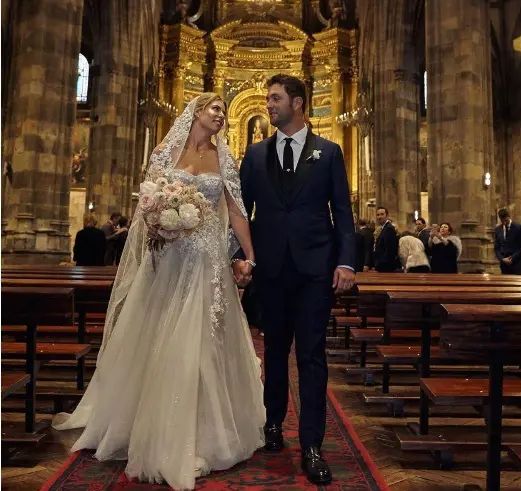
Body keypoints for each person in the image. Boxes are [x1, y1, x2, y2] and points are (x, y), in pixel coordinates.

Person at [54, 93, 264, 490]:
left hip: (207, 261)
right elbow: (147, 204)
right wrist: (158, 223)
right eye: (214, 108)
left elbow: (236, 210)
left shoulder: (226, 160)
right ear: (196, 113)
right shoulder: (164, 152)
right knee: (160, 336)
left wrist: (249, 257)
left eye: (223, 110)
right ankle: (147, 426)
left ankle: (203, 434)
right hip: (167, 260)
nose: (220, 115)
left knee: (203, 340)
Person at [236, 74, 356, 484]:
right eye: (268, 99)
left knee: (311, 356)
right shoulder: (253, 156)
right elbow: (240, 214)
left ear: (298, 103)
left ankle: (312, 445)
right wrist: (241, 258)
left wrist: (347, 263)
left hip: (314, 270)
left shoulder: (330, 152)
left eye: (275, 98)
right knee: (273, 352)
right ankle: (273, 423)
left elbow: (342, 212)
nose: (268, 104)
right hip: (269, 269)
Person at [493, 208, 521, 274]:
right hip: (504, 265)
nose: (504, 223)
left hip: (517, 264)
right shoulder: (498, 230)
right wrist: (502, 259)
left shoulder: (519, 228)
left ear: (509, 216)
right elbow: (496, 248)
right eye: (502, 221)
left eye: (506, 220)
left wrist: (512, 258)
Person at [372, 206, 401, 272]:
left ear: (387, 216)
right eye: (378, 215)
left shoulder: (389, 228)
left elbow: (390, 249)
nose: (380, 217)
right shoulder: (383, 228)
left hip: (386, 266)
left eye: (382, 214)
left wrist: (382, 264)